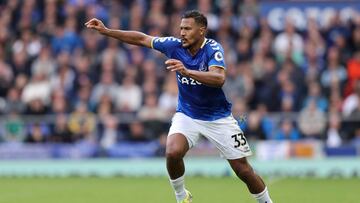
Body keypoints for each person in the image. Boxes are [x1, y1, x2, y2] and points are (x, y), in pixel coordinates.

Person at [85, 10, 273, 203]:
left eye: (187, 29)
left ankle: (266, 201)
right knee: (172, 152)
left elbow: (219, 78)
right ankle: (182, 197)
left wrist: (187, 71)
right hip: (188, 114)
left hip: (219, 118)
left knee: (243, 169)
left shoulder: (213, 48)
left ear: (201, 31)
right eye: (181, 28)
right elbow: (142, 38)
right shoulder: (173, 45)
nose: (182, 32)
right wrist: (107, 31)